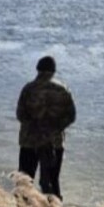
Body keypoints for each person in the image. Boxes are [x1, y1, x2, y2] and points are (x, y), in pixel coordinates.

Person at [16, 55, 76, 199]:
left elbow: (20, 115)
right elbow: (71, 116)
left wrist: (36, 127)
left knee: (24, 181)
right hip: (54, 142)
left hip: (29, 141)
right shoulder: (63, 90)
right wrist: (54, 129)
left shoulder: (28, 89)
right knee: (52, 182)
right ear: (53, 71)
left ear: (38, 69)